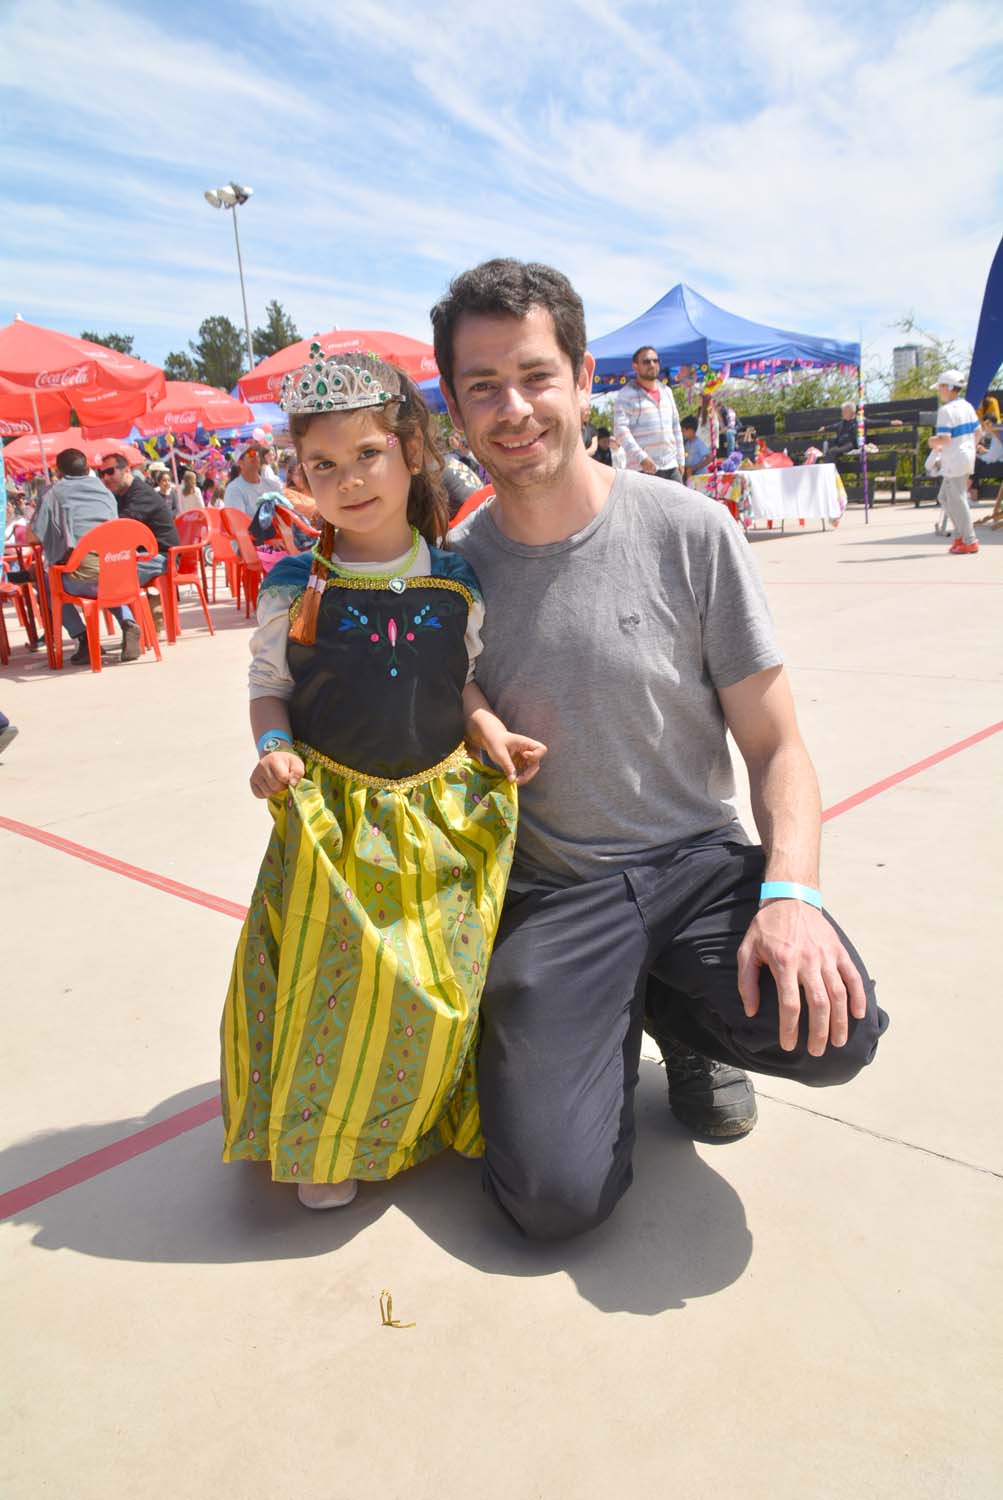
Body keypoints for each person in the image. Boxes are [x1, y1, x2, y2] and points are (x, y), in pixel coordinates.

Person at [433, 257, 888, 1240]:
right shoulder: (453, 576)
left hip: (697, 869)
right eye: (483, 387)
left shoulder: (691, 530)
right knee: (552, 1203)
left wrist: (791, 896)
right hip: (557, 896)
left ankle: (684, 1024)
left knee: (836, 1031)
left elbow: (776, 744)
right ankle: (610, 1007)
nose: (513, 409)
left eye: (534, 375)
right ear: (456, 408)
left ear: (581, 377)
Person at [220, 348, 546, 1211]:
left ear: (410, 452)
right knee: (339, 985)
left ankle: (426, 1112)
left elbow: (457, 678)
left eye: (366, 454)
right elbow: (268, 684)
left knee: (439, 977)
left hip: (440, 810)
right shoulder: (296, 583)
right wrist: (273, 747)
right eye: (322, 465)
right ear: (300, 477)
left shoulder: (456, 578)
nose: (349, 480)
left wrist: (486, 726)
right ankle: (326, 1142)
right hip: (334, 817)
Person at [23, 447, 138, 664]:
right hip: (118, 573)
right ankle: (128, 622)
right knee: (101, 579)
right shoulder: (106, 492)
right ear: (87, 469)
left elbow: (33, 537)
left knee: (47, 582)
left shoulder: (53, 493)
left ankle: (83, 638)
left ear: (58, 471)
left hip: (81, 578)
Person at [98, 452, 180, 637]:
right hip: (141, 556)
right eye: (101, 474)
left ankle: (136, 624)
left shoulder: (141, 494)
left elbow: (121, 527)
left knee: (108, 575)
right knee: (102, 572)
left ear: (127, 470)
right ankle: (143, 617)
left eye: (110, 472)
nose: (105, 478)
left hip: (163, 557)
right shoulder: (119, 495)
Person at [612, 345, 686, 481]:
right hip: (643, 469)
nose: (652, 364)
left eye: (655, 360)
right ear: (635, 366)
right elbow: (620, 430)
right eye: (646, 361)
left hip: (671, 466)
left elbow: (676, 427)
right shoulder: (626, 394)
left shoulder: (667, 392)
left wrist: (681, 460)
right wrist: (641, 457)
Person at [928, 369, 980, 555]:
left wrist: (931, 442)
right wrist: (970, 448)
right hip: (965, 457)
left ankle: (969, 540)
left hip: (954, 460)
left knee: (957, 499)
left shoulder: (946, 411)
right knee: (945, 497)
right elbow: (978, 432)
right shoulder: (967, 406)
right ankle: (960, 535)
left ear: (949, 387)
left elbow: (945, 439)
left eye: (941, 386)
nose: (939, 390)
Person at [223, 443, 273, 516]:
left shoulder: (271, 485)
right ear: (240, 463)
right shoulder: (233, 490)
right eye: (251, 453)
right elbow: (238, 520)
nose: (255, 455)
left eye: (256, 453)